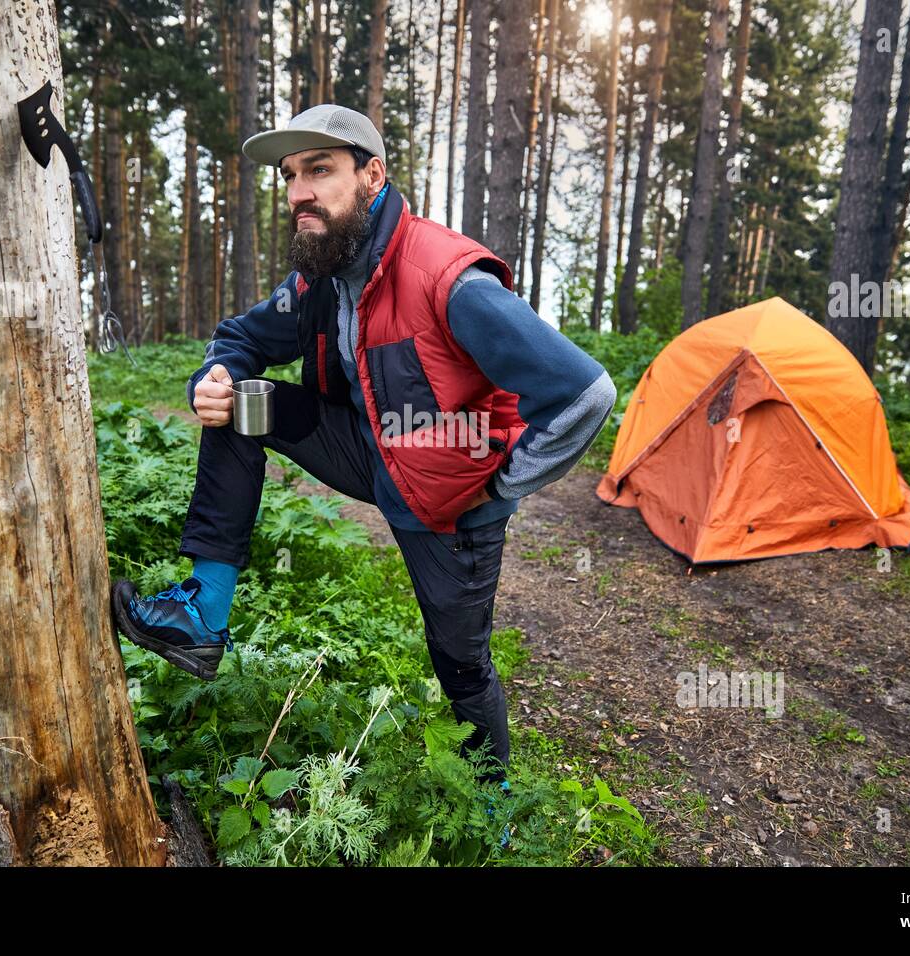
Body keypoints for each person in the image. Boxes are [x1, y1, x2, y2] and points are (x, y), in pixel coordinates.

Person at [111, 103, 616, 789]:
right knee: (243, 405)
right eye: (291, 176)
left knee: (461, 666)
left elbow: (586, 394)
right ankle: (203, 611)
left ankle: (492, 802)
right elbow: (244, 336)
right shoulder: (324, 272)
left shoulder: (448, 278)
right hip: (367, 450)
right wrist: (216, 373)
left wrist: (498, 485)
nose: (298, 194)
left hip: (451, 508)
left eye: (319, 170)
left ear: (372, 175)